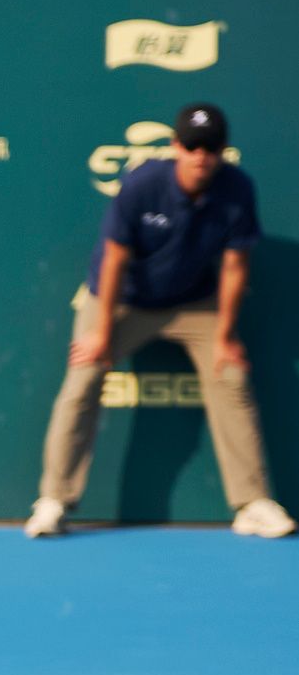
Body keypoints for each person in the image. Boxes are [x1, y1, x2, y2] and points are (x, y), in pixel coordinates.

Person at [31, 102, 283, 539]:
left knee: (232, 377)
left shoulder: (237, 188)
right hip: (123, 300)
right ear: (175, 146)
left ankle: (252, 503)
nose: (201, 156)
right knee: (83, 376)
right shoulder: (142, 184)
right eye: (192, 146)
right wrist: (102, 333)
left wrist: (225, 336)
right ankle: (54, 500)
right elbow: (114, 260)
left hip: (193, 303)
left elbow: (235, 266)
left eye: (210, 148)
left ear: (223, 152)